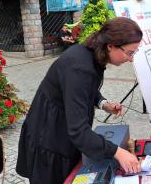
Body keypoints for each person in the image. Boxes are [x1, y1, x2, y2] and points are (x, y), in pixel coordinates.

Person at [16, 17, 143, 183]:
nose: (131, 59)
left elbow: (84, 89)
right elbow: (78, 131)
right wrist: (118, 152)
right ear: (110, 45)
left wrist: (103, 103)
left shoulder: (93, 53)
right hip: (49, 140)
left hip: (62, 132)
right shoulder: (80, 67)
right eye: (130, 52)